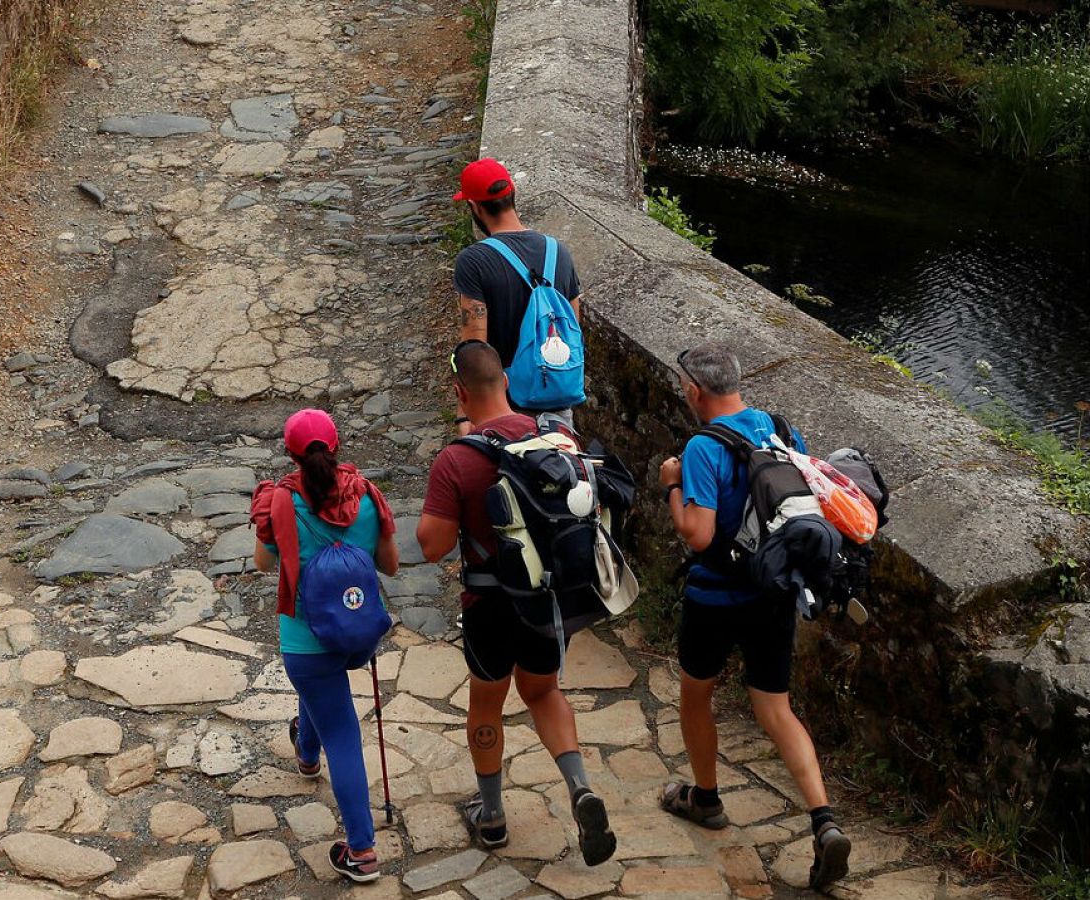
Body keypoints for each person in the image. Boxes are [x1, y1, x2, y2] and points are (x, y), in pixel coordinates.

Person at [658, 343, 852, 892]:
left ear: (695, 390)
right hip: (774, 593)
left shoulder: (701, 446)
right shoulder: (779, 429)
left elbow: (697, 533)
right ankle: (824, 820)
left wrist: (672, 483)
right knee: (775, 706)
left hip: (716, 597)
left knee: (697, 692)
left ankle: (706, 798)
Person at [415, 340, 616, 865]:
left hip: (488, 602)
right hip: (547, 598)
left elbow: (432, 546)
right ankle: (580, 790)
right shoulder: (555, 438)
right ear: (506, 379)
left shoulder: (457, 460)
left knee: (487, 701)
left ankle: (493, 816)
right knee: (544, 692)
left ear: (459, 392)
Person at [251, 409, 400, 884]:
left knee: (342, 729)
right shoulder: (367, 497)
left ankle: (361, 851)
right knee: (323, 696)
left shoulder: (281, 503)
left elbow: (260, 563)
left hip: (306, 642)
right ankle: (306, 754)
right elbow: (392, 566)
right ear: (337, 449)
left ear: (291, 455)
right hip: (356, 635)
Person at [452, 158, 584, 435]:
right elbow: (573, 327)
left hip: (502, 408)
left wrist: (465, 416)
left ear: (474, 207)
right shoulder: (558, 251)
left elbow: (475, 344)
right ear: (513, 195)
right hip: (556, 398)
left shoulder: (474, 260)